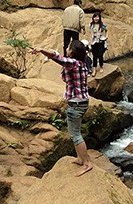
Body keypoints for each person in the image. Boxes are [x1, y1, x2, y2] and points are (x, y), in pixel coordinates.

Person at [31, 40, 93, 176]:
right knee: (75, 132)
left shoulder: (73, 64)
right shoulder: (81, 63)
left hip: (76, 104)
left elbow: (56, 57)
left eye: (69, 48)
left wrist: (41, 49)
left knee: (76, 135)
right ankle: (80, 158)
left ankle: (87, 163)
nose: (67, 49)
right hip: (82, 102)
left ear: (73, 51)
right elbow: (57, 54)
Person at [89, 12, 107, 77]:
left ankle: (101, 66)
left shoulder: (102, 25)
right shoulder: (91, 25)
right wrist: (90, 42)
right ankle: (94, 69)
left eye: (97, 17)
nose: (96, 18)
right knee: (94, 56)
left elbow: (106, 30)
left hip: (100, 42)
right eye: (95, 17)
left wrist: (106, 36)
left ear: (99, 18)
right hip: (94, 42)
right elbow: (91, 34)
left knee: (100, 55)